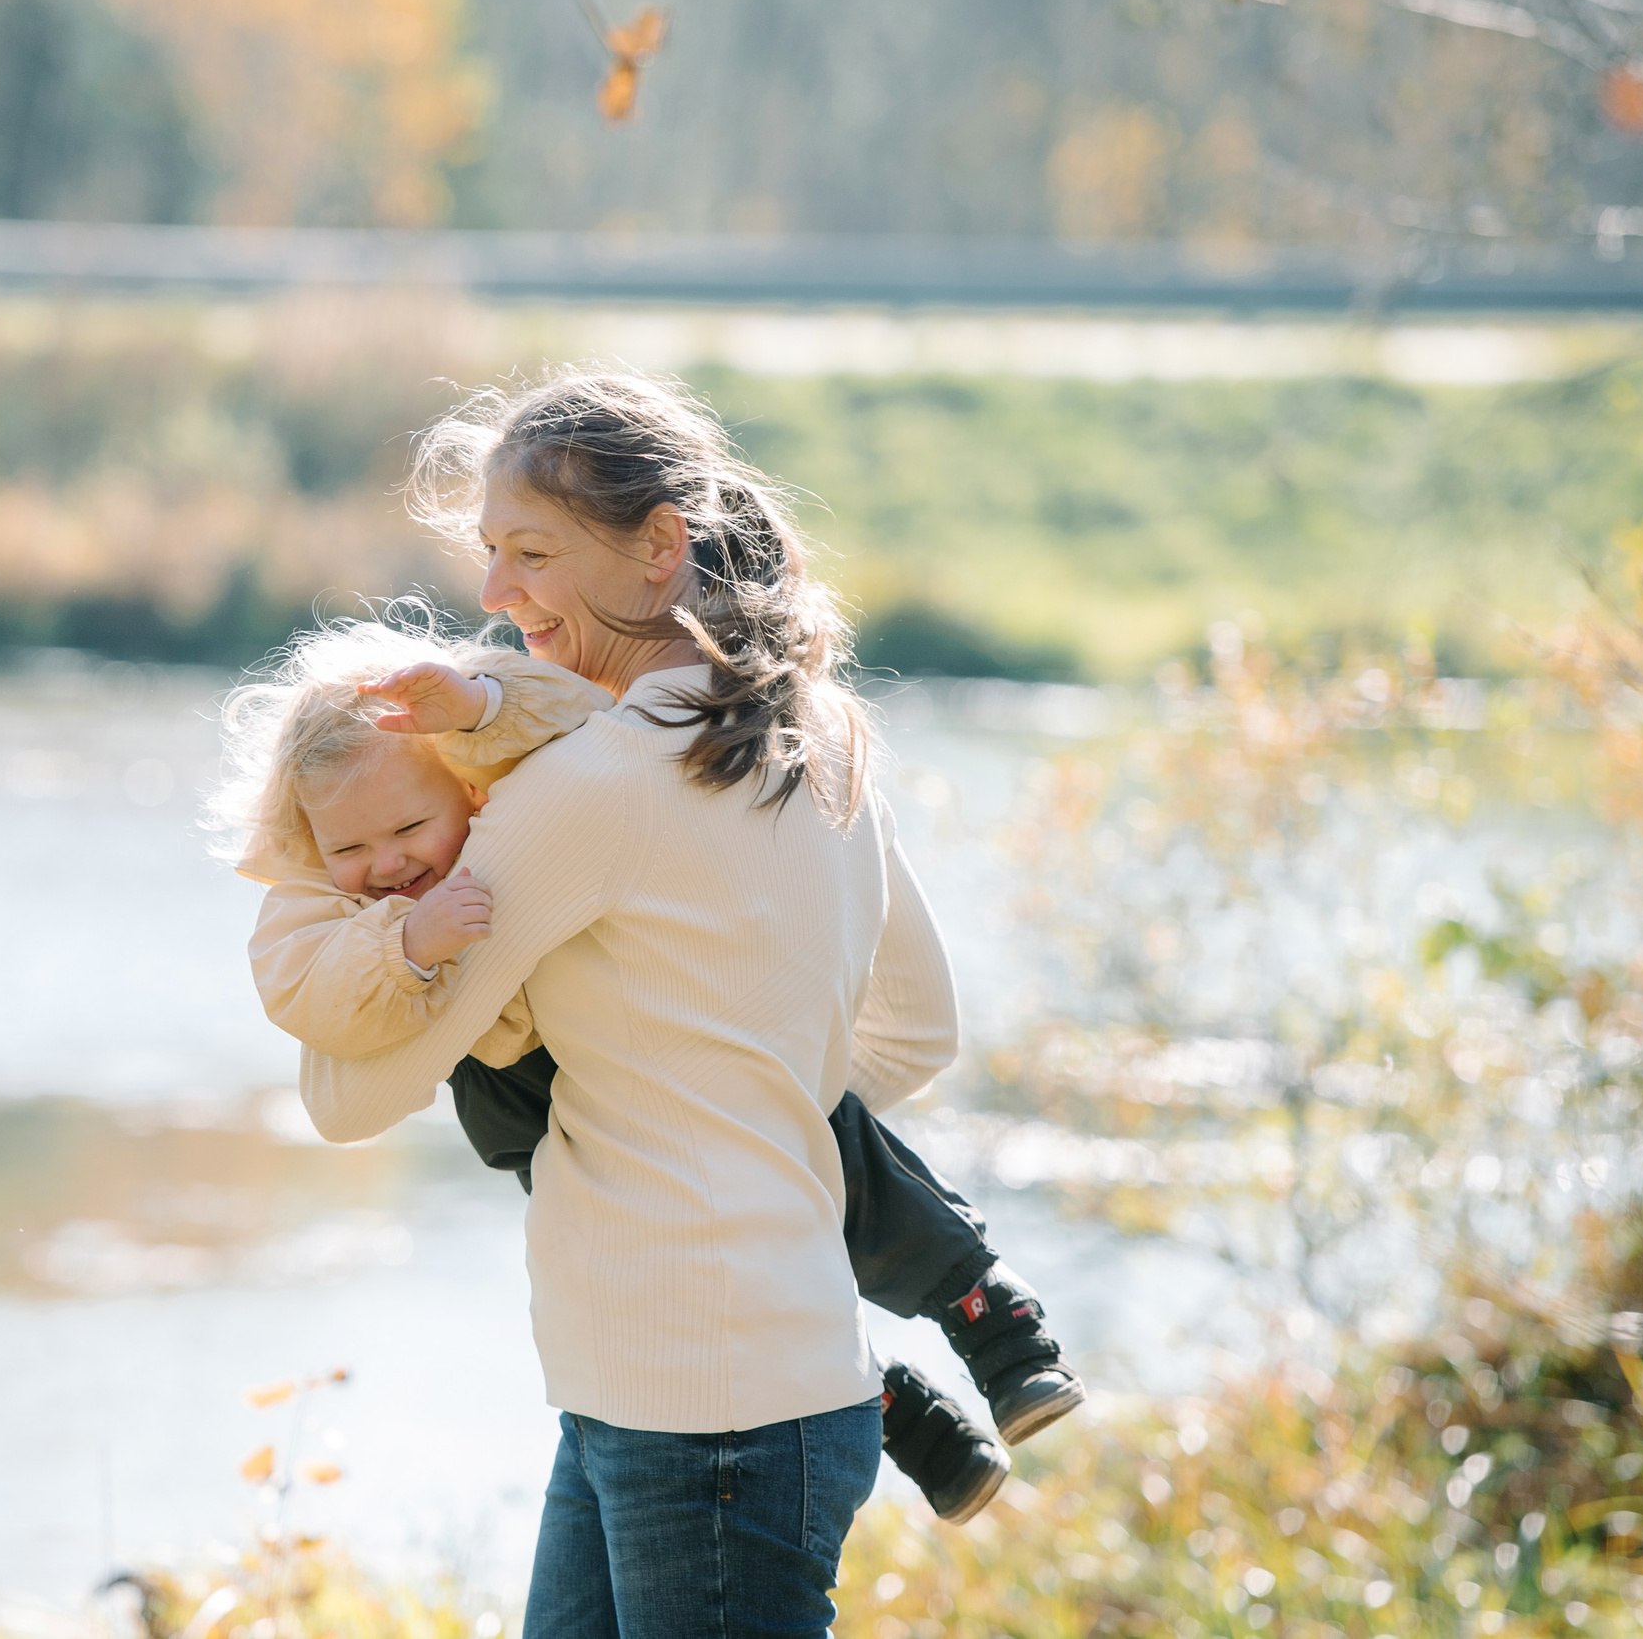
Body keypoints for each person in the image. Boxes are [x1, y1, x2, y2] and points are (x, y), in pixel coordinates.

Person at [240, 367, 1011, 1636]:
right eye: (490, 554)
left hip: (699, 1408)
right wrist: (727, 1115)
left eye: (532, 551)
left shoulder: (585, 791)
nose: (494, 595)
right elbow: (917, 1029)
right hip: (712, 1382)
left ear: (658, 549)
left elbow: (349, 1091)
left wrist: (320, 891)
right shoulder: (809, 730)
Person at [213, 620, 1083, 1529]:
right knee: (668, 1202)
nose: (385, 866)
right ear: (308, 839)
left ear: (468, 787)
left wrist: (477, 705)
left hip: (617, 1028)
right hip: (516, 1092)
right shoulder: (311, 896)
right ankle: (888, 1402)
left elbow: (577, 717)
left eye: (408, 828)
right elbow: (305, 997)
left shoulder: (528, 801)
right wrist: (404, 940)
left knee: (806, 1129)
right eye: (349, 850)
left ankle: (983, 1303)